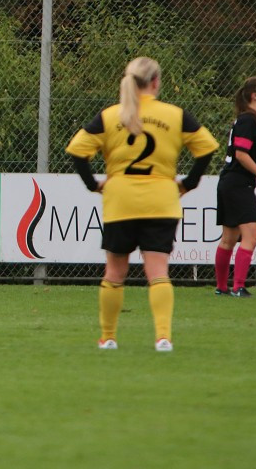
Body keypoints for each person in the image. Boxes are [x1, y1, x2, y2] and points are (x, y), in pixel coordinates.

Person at [66, 56, 218, 352]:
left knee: (115, 272)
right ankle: (163, 337)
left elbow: (77, 151)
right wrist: (188, 183)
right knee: (158, 271)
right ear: (156, 82)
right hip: (161, 201)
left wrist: (93, 184)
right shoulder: (175, 114)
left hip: (120, 201)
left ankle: (108, 337)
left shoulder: (111, 116)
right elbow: (207, 149)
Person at [214, 77, 256, 297]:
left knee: (229, 238)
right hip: (237, 183)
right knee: (251, 235)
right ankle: (238, 287)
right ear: (255, 96)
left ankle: (222, 288)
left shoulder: (248, 120)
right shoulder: (248, 121)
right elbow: (241, 155)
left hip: (230, 182)